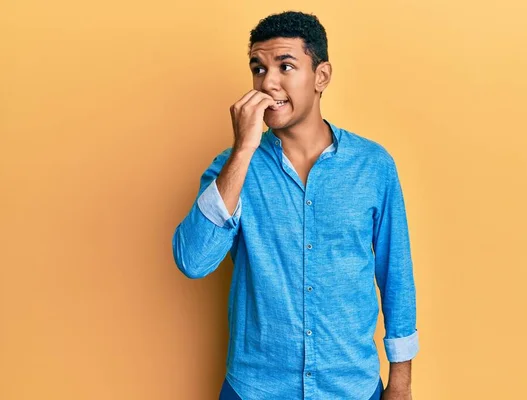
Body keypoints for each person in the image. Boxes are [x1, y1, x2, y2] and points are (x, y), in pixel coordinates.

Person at [172, 10, 419, 400]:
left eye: (285, 66)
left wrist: (401, 383)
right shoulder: (231, 168)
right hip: (256, 389)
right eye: (258, 68)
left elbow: (397, 275)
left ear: (321, 76)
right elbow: (193, 261)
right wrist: (244, 150)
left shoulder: (373, 165)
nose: (268, 83)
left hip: (350, 388)